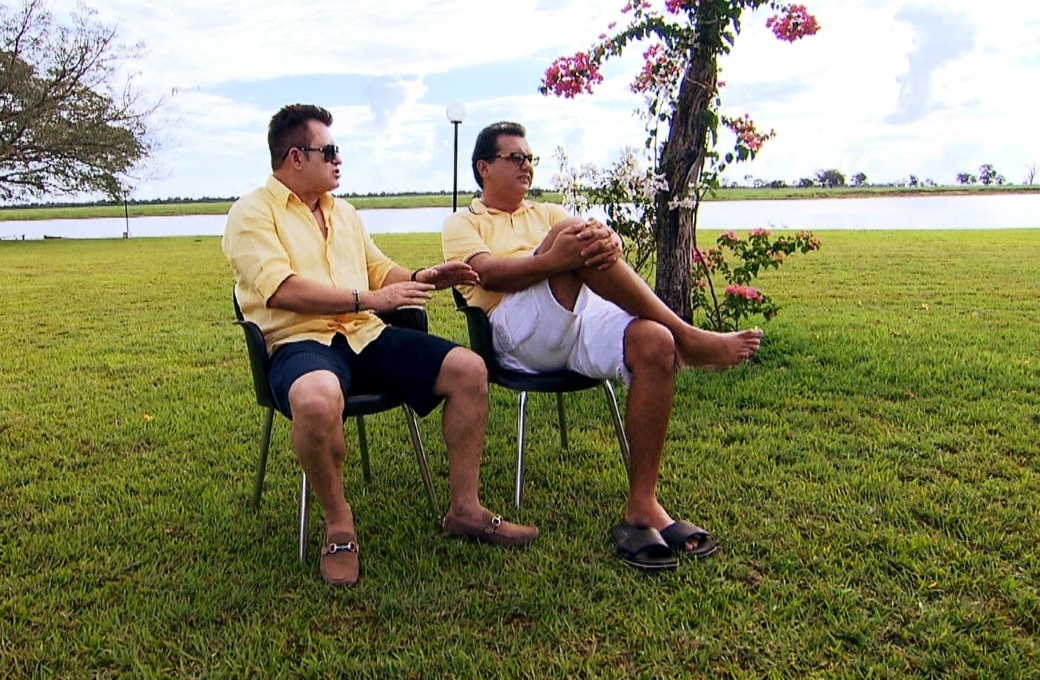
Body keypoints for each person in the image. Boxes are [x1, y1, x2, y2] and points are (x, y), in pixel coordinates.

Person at [223, 104, 538, 587]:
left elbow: (378, 271)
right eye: (328, 150)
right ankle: (339, 525)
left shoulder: (342, 212)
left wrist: (421, 278)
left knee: (469, 369)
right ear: (294, 157)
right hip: (298, 341)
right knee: (315, 398)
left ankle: (465, 509)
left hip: (364, 335)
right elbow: (282, 289)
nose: (338, 158)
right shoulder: (250, 215)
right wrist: (368, 298)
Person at [441, 121, 763, 570]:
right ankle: (689, 335)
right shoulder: (461, 223)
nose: (526, 166)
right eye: (515, 157)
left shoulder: (548, 212)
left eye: (530, 158)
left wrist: (607, 240)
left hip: (578, 318)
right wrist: (557, 257)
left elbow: (590, 252)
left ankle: (643, 504)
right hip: (516, 333)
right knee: (568, 238)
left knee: (654, 341)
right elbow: (488, 275)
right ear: (483, 167)